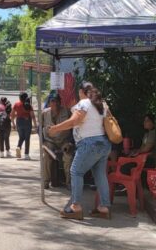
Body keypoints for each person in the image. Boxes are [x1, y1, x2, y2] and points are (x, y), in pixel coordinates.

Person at [48, 81, 112, 220]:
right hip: (103, 144)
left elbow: (73, 122)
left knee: (76, 171)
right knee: (100, 174)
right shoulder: (102, 104)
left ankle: (75, 207)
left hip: (89, 144)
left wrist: (55, 128)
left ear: (82, 92)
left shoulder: (84, 104)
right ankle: (104, 208)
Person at [41, 94, 73, 188]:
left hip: (64, 140)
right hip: (50, 141)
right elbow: (39, 127)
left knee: (68, 157)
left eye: (56, 101)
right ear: (49, 103)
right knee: (46, 156)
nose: (54, 103)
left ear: (60, 102)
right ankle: (45, 182)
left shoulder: (67, 112)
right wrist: (42, 141)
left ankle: (69, 183)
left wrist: (71, 141)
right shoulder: (44, 113)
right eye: (52, 101)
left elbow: (74, 127)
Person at [11, 92, 37, 160]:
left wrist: (13, 123)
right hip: (27, 122)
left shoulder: (16, 104)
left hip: (19, 122)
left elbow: (12, 114)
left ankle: (18, 147)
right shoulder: (29, 106)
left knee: (21, 137)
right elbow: (33, 116)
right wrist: (35, 125)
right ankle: (26, 154)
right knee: (27, 138)